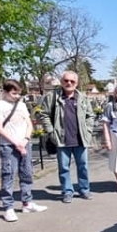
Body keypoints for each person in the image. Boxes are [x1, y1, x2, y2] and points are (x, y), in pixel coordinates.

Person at [0, 79, 48, 221]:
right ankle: (8, 207)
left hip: (24, 143)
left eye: (19, 94)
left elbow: (29, 124)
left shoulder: (21, 105)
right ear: (5, 92)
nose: (16, 96)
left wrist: (25, 140)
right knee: (9, 175)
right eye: (13, 93)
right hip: (9, 145)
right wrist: (16, 143)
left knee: (27, 173)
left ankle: (27, 202)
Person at [38, 70, 96, 203]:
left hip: (80, 139)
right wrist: (51, 132)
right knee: (64, 168)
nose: (69, 83)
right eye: (66, 80)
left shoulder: (82, 97)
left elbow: (90, 115)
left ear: (76, 83)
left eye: (72, 81)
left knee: (83, 166)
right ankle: (67, 191)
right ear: (61, 81)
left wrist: (88, 130)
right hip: (62, 139)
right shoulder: (52, 97)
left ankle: (84, 189)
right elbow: (44, 115)